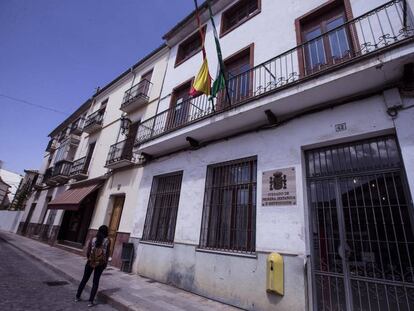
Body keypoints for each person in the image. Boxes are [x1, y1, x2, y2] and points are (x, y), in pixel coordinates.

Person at [75, 225, 110, 307]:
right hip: (100, 263)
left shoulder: (93, 239)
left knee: (84, 279)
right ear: (106, 232)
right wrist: (105, 263)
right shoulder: (107, 241)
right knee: (95, 282)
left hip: (90, 261)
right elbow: (107, 253)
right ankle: (90, 301)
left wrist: (90, 259)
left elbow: (88, 251)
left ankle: (77, 296)